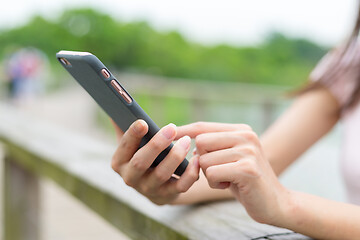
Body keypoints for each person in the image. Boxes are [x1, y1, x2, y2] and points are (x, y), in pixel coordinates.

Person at [110, 5, 360, 240]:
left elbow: (275, 191)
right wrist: (169, 186)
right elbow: (267, 159)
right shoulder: (350, 62)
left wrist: (287, 205)